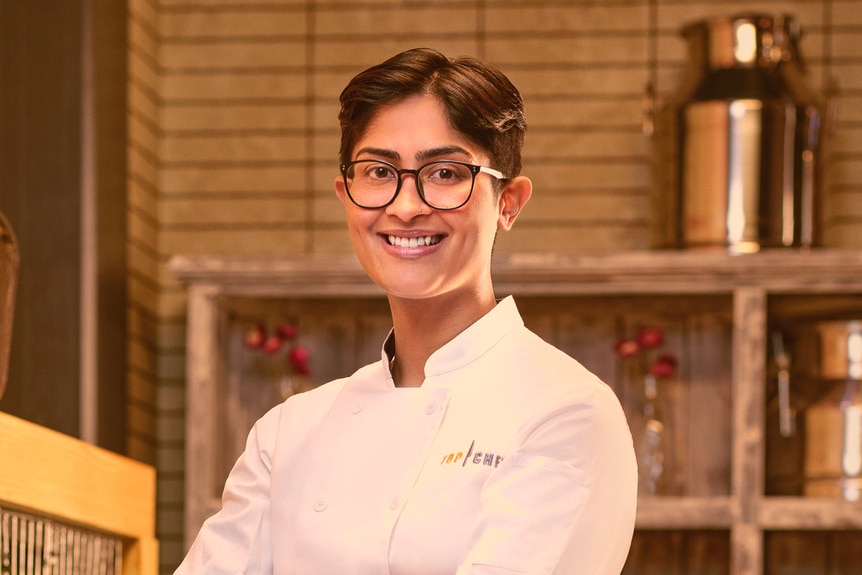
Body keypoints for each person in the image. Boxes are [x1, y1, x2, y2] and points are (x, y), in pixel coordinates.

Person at [175, 47, 637, 574]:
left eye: (444, 173)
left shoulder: (565, 411)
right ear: (346, 195)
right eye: (378, 171)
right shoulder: (286, 434)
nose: (405, 206)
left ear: (509, 201)